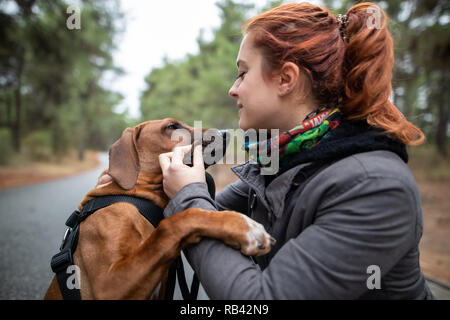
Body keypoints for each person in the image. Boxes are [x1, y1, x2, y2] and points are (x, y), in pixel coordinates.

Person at [102, 2, 435, 299]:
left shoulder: (375, 186)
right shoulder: (282, 162)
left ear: (286, 79)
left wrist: (189, 194)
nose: (233, 89)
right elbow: (199, 216)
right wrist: (125, 191)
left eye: (243, 73)